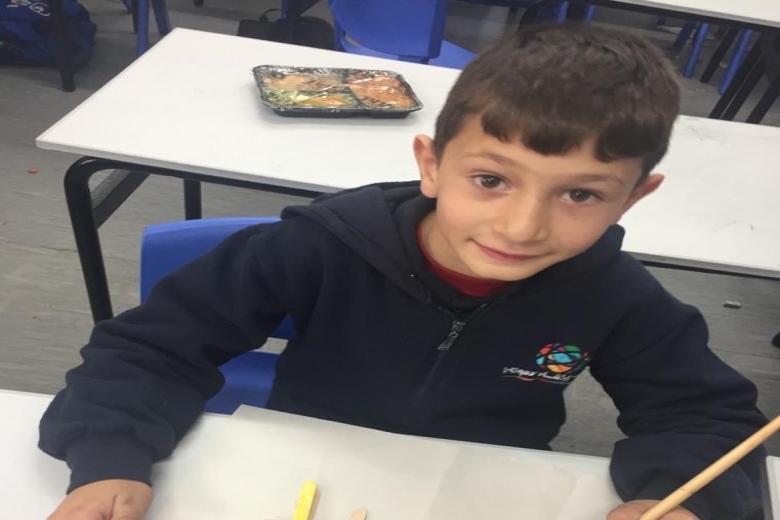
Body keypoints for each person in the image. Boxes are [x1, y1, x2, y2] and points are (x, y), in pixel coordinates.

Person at [39, 24, 767, 520]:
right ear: (432, 165)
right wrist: (110, 457)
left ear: (633, 198)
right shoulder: (316, 248)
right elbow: (153, 348)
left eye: (580, 195)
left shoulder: (617, 298)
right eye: (490, 180)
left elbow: (703, 416)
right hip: (301, 470)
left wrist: (682, 500)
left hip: (478, 487)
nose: (521, 227)